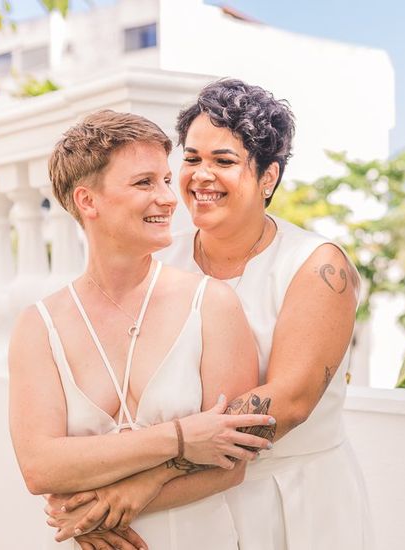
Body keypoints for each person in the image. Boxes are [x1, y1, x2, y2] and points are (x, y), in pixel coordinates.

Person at [48, 79, 374, 549]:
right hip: (193, 513)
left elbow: (288, 403)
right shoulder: (162, 260)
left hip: (297, 502)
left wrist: (145, 485)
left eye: (224, 161)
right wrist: (94, 494)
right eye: (192, 158)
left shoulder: (316, 266)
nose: (201, 176)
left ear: (268, 177)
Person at [8, 110, 276, 550]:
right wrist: (180, 438)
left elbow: (232, 460)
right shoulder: (40, 326)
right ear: (87, 201)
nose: (169, 198)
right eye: (144, 183)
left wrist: (100, 508)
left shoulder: (211, 304)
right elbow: (39, 467)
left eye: (167, 180)